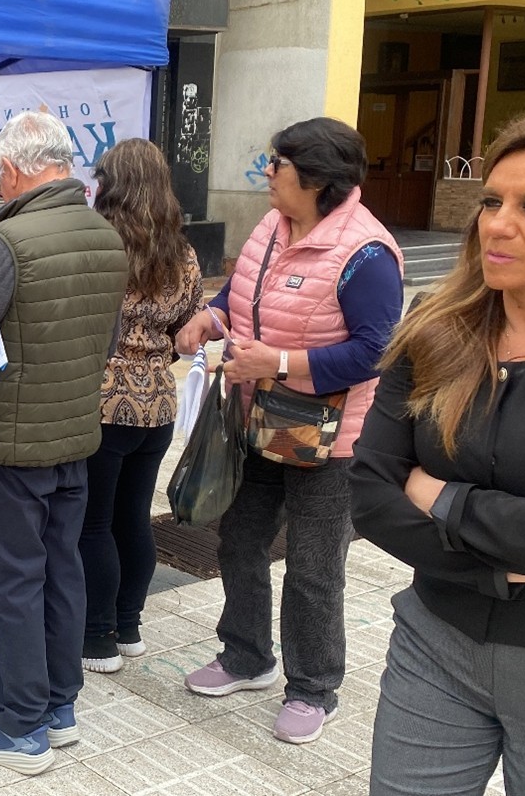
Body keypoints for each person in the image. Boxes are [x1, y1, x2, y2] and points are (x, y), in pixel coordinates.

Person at [350, 107, 525, 795]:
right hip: (435, 640)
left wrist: (438, 494)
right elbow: (370, 495)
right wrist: (508, 563)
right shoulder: (434, 328)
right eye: (491, 201)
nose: (497, 225)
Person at [173, 117, 403, 744]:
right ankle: (246, 655)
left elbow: (376, 352)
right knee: (238, 540)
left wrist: (275, 363)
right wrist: (209, 316)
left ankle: (313, 687)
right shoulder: (272, 225)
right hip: (258, 423)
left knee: (312, 566)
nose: (267, 172)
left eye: (279, 164)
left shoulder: (366, 255)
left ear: (318, 179)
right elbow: (242, 294)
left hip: (331, 440)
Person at [0, 111, 126, 775]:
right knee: (61, 569)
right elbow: (103, 343)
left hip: (10, 442)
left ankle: (19, 725)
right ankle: (58, 704)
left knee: (13, 580)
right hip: (73, 433)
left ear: (12, 170)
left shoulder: (10, 242)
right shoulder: (105, 236)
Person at [79, 139, 202, 674]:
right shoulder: (184, 252)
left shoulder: (98, 242)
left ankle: (97, 638)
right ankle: (129, 627)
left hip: (103, 401)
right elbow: (188, 330)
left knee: (94, 524)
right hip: (158, 403)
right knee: (134, 518)